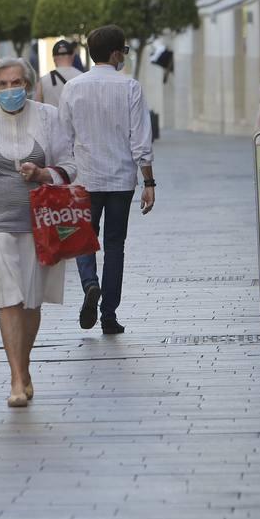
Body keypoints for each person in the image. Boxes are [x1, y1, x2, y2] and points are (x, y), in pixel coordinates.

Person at [0, 58, 78, 407]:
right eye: (3, 85)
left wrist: (42, 174)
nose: (10, 90)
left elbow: (70, 165)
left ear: (29, 84)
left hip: (41, 223)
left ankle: (24, 366)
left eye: (17, 82)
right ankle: (16, 379)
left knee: (32, 299)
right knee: (10, 297)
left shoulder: (48, 116)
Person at [58, 25, 156, 335]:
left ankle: (90, 283)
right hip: (120, 180)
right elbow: (140, 140)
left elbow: (63, 135)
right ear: (115, 53)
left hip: (84, 178)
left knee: (83, 239)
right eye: (124, 51)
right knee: (115, 246)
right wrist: (149, 183)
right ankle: (109, 315)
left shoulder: (73, 87)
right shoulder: (130, 86)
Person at [34, 39, 82, 108]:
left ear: (54, 58)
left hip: (51, 118)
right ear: (72, 56)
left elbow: (37, 107)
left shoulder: (43, 81)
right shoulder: (81, 76)